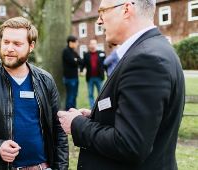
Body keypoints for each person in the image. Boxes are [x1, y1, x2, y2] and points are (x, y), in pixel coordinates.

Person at [58, 0, 185, 169]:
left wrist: (76, 124)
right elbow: (145, 122)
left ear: (126, 9)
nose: (99, 20)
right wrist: (98, 116)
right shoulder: (152, 49)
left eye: (103, 11)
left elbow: (130, 145)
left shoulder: (146, 59)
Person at [0, 17, 69, 170]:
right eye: (6, 42)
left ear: (31, 46)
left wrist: (60, 168)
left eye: (17, 44)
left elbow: (58, 129)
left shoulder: (45, 80)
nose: (9, 48)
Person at [82, 39, 106, 109]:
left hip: (99, 77)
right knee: (90, 94)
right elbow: (83, 64)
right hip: (90, 78)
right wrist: (81, 69)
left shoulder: (102, 53)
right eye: (91, 44)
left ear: (96, 45)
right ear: (89, 45)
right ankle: (92, 109)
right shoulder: (86, 55)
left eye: (94, 44)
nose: (93, 45)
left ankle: (101, 108)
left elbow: (105, 64)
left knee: (101, 94)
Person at [62, 35, 81, 110]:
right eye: (76, 42)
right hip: (69, 78)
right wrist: (76, 60)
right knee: (70, 96)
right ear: (71, 42)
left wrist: (76, 60)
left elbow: (80, 61)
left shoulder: (73, 52)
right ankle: (68, 112)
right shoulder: (66, 51)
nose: (77, 44)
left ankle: (74, 111)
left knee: (75, 95)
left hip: (75, 77)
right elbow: (73, 62)